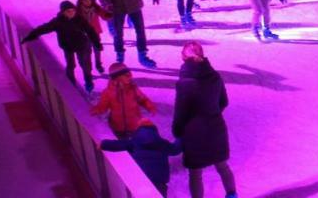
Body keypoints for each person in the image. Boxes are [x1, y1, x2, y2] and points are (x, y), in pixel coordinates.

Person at [172, 42, 237, 198]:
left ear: (183, 57)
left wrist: (178, 131)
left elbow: (181, 112)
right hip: (216, 128)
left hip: (194, 133)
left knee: (195, 173)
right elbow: (224, 102)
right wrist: (211, 113)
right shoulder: (214, 76)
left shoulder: (184, 83)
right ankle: (232, 195)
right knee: (222, 166)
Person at [21, 0, 102, 92]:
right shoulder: (58, 22)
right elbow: (44, 28)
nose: (72, 13)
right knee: (71, 65)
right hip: (67, 46)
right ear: (63, 12)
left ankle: (89, 82)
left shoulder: (79, 19)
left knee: (85, 64)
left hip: (81, 45)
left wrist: (97, 43)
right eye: (69, 11)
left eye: (73, 11)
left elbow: (90, 31)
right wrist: (31, 36)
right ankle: (71, 83)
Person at [100, 119, 183, 196]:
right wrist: (182, 136)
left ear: (137, 131)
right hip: (159, 182)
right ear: (155, 131)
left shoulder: (134, 142)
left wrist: (103, 144)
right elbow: (175, 149)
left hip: (141, 180)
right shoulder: (162, 143)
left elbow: (117, 144)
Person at [91, 62, 158, 135]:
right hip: (118, 127)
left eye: (130, 74)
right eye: (126, 75)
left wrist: (150, 106)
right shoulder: (108, 92)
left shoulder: (133, 89)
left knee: (135, 144)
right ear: (117, 78)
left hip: (135, 126)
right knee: (122, 144)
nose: (130, 77)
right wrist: (97, 110)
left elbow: (143, 100)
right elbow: (103, 106)